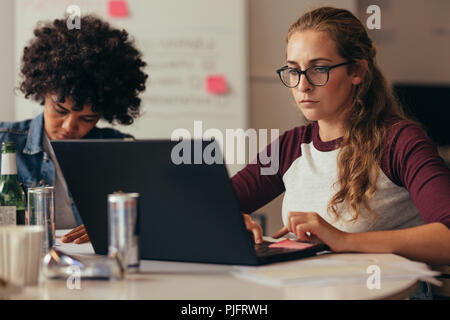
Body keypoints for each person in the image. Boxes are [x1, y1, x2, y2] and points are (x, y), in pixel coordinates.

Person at [232, 7, 450, 269]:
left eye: (318, 69)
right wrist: (227, 220)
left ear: (356, 71)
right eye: (294, 70)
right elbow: (204, 206)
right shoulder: (291, 146)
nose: (303, 85)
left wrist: (342, 240)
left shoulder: (399, 141)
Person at [0, 15, 148, 244]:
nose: (69, 126)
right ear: (42, 92)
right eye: (60, 110)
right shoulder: (5, 144)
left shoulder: (119, 149)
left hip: (94, 265)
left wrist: (114, 225)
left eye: (87, 118)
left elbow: (152, 214)